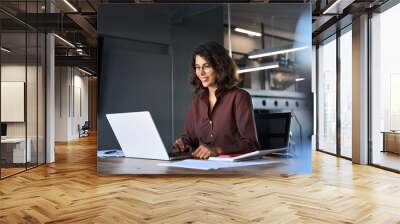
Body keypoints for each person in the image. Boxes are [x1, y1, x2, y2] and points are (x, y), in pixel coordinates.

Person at [172, 41, 260, 159]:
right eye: (198, 67)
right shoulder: (197, 101)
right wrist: (183, 143)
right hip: (204, 168)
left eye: (206, 66)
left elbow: (251, 145)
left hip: (233, 171)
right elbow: (190, 137)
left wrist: (218, 149)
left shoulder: (239, 97)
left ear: (219, 67)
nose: (201, 72)